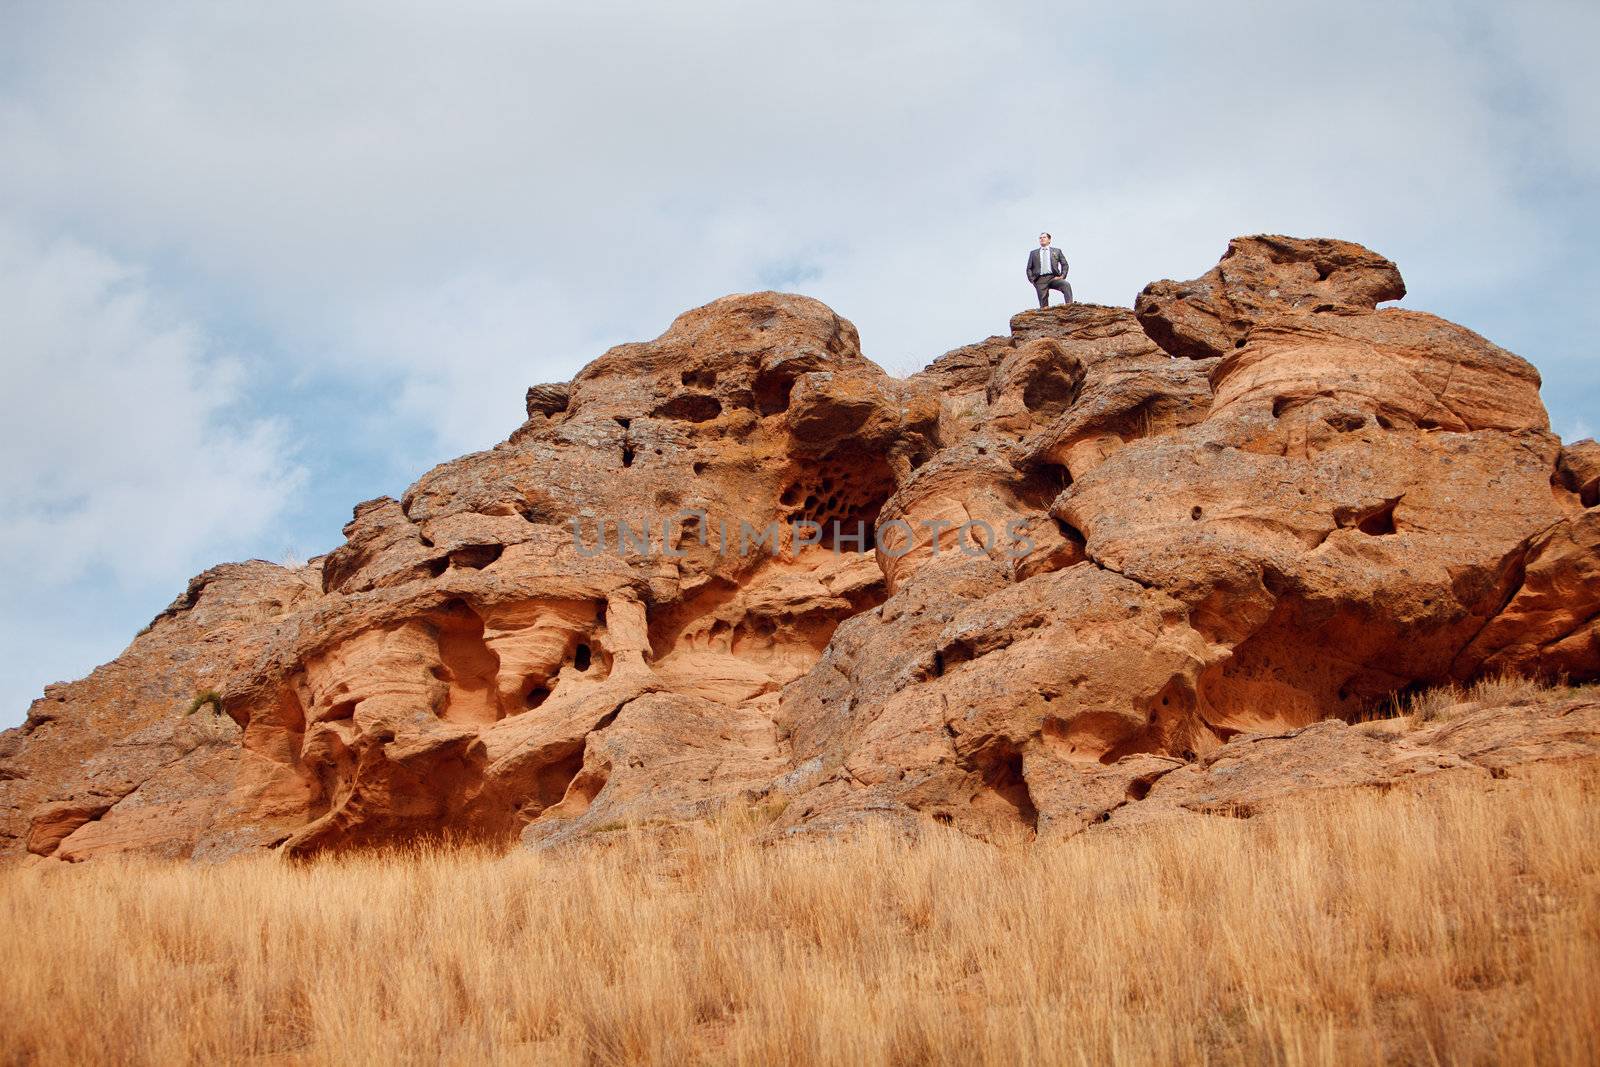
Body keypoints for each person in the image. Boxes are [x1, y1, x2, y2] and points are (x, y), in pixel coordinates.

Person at [1026, 232, 1073, 308]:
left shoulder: (1057, 251)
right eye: (1040, 238)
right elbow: (1029, 268)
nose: (1042, 239)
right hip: (1040, 280)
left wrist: (1062, 276)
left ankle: (1070, 306)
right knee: (1043, 304)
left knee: (1066, 285)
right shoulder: (1033, 253)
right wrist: (1032, 280)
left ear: (1049, 240)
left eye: (1044, 237)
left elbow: (1065, 264)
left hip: (1053, 277)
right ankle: (1045, 316)